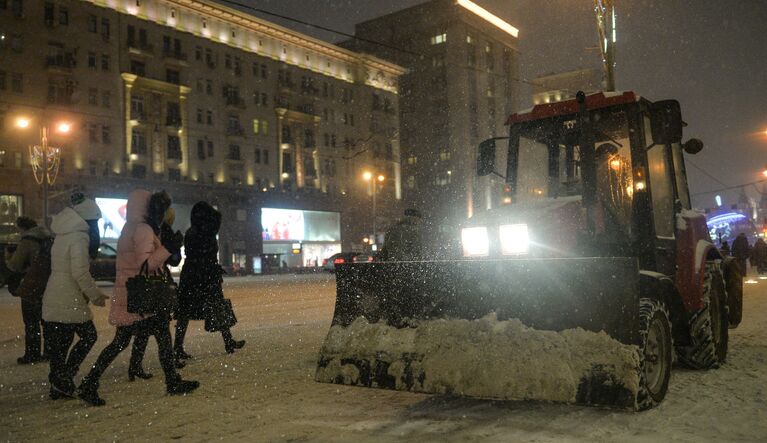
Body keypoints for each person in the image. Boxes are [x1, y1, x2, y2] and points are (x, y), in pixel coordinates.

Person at [78, 190, 198, 406]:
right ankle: (171, 382)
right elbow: (147, 265)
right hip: (142, 296)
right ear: (146, 208)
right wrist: (168, 248)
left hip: (131, 294)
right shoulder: (143, 229)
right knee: (156, 337)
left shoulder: (129, 227)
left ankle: (90, 382)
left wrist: (164, 247)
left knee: (124, 341)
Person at [43, 194, 108, 398]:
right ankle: (64, 378)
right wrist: (95, 296)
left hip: (54, 293)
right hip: (69, 297)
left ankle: (59, 383)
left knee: (60, 344)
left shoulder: (63, 234)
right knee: (89, 336)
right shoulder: (79, 236)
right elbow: (79, 272)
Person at [124, 192, 185, 381]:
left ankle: (167, 375)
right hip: (151, 285)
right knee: (151, 331)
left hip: (149, 285)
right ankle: (91, 380)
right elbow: (147, 264)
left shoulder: (143, 228)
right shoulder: (148, 230)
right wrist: (171, 248)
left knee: (150, 330)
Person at [174, 201, 245, 360]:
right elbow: (207, 252)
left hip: (192, 275)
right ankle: (228, 342)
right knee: (216, 306)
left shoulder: (192, 232)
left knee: (186, 311)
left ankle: (178, 347)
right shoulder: (205, 232)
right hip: (205, 274)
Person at [5, 216, 52, 364]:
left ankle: (32, 354)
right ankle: (49, 353)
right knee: (47, 321)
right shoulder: (49, 238)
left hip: (32, 284)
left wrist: (8, 257)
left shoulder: (27, 240)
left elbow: (15, 265)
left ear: (23, 227)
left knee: (31, 322)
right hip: (49, 284)